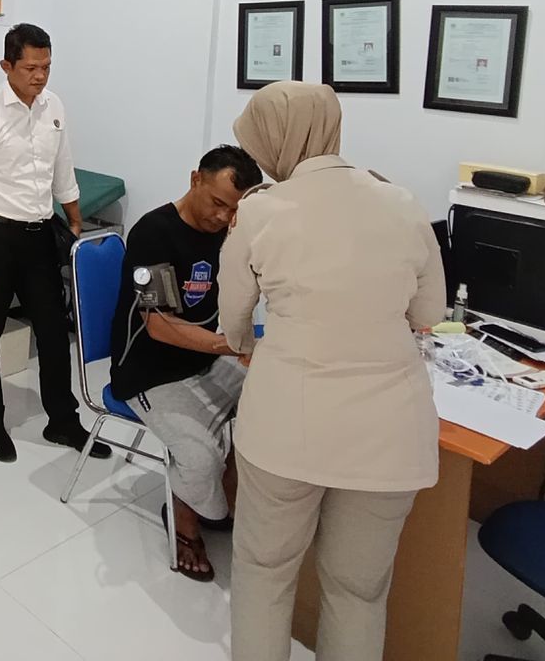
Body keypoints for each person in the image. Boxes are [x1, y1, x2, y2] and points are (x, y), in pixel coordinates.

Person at [218, 81, 446, 661]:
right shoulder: (402, 202)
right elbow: (430, 315)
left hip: (287, 425)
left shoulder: (260, 210)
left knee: (264, 574)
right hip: (389, 432)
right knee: (359, 592)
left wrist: (247, 343)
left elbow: (234, 321)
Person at [108, 145, 263, 581]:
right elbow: (159, 326)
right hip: (148, 371)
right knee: (199, 456)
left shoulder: (229, 232)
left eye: (234, 210)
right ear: (195, 179)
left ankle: (217, 499)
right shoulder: (153, 234)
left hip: (202, 359)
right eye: (217, 203)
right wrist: (228, 345)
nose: (223, 217)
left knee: (273, 398)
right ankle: (185, 521)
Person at [0, 23, 110, 463]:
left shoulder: (53, 106)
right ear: (6, 65)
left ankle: (62, 419)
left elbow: (63, 167)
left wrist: (75, 219)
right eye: (30, 68)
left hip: (40, 233)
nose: (39, 76)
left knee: (53, 331)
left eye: (46, 67)